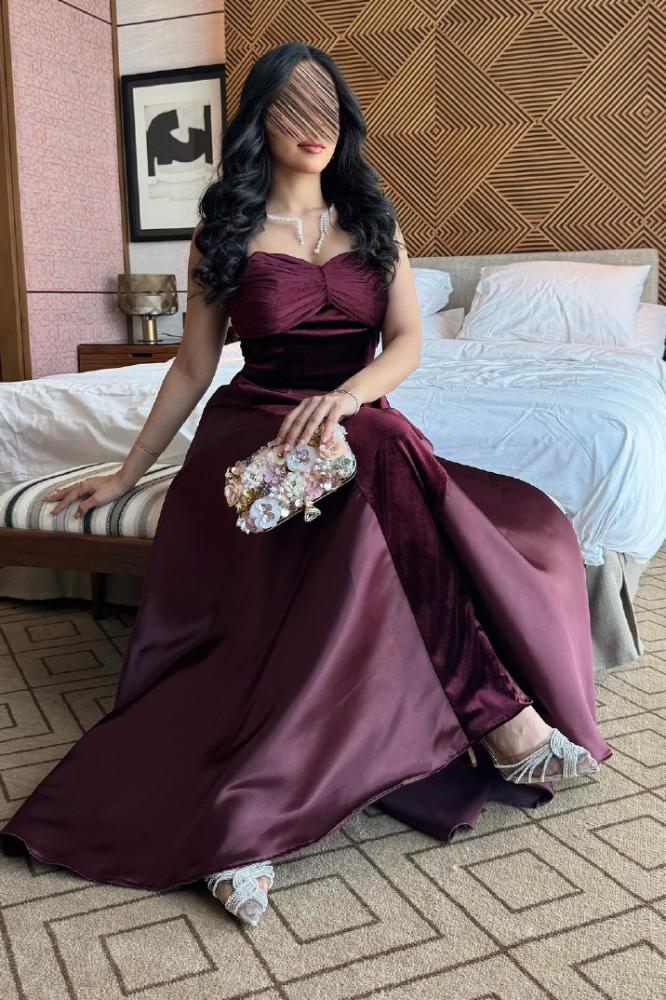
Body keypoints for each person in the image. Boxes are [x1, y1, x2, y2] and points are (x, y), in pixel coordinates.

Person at [0, 42, 611, 930]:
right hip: (255, 433)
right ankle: (502, 722)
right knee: (385, 451)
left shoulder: (374, 221)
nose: (311, 125)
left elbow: (407, 341)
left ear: (346, 119)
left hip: (356, 423)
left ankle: (281, 795)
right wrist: (130, 471)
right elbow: (192, 366)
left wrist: (347, 396)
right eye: (290, 106)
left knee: (391, 445)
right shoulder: (225, 230)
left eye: (325, 106)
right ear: (259, 119)